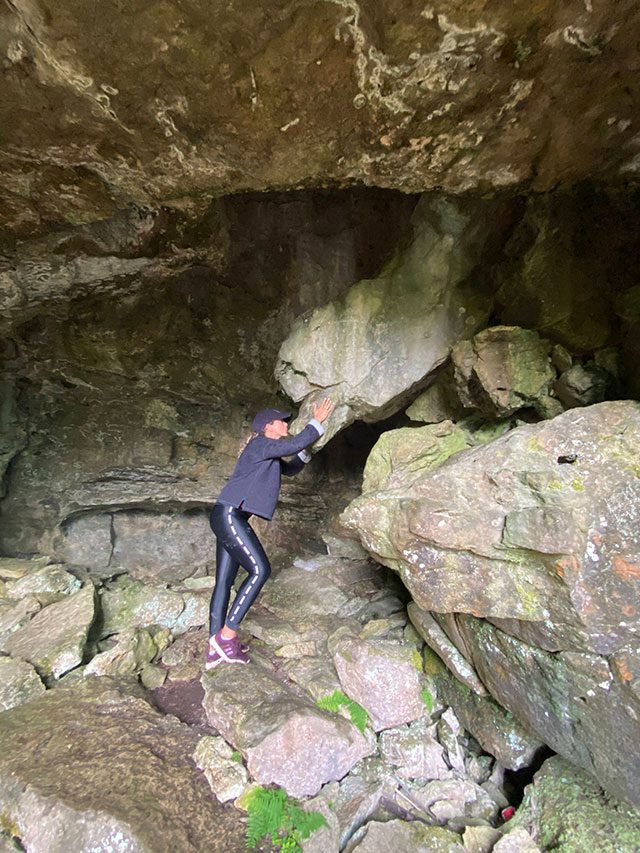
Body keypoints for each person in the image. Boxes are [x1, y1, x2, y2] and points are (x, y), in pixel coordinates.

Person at [205, 398, 334, 668]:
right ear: (268, 427)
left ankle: (214, 649)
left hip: (227, 515)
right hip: (229, 515)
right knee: (260, 570)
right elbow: (292, 444)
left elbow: (289, 468)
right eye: (282, 421)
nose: (286, 424)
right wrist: (317, 421)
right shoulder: (260, 444)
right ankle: (227, 637)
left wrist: (307, 450)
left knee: (225, 582)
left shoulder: (267, 452)